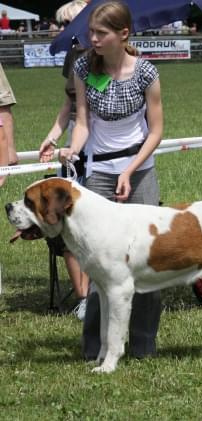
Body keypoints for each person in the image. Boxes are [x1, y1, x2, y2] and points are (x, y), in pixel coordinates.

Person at [55, 0, 163, 360]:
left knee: (147, 262)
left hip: (140, 169)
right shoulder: (84, 67)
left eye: (100, 34)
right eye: (91, 33)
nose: (93, 40)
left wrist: (130, 171)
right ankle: (94, 349)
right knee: (100, 266)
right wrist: (72, 149)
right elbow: (82, 122)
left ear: (123, 34)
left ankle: (144, 346)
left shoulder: (146, 72)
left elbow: (157, 131)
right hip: (98, 174)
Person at [38, 0, 89, 320]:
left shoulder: (108, 59)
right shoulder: (72, 57)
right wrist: (53, 135)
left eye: (66, 23)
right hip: (73, 151)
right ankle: (84, 297)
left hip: (100, 152)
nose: (61, 30)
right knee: (67, 225)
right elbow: (68, 103)